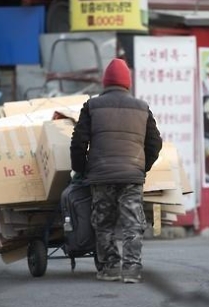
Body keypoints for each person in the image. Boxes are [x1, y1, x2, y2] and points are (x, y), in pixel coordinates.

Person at [70, 58, 163, 283]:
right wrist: (142, 168)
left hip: (100, 176)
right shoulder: (142, 107)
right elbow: (155, 143)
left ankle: (110, 268)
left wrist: (81, 170)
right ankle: (131, 269)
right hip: (132, 176)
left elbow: (78, 143)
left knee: (104, 222)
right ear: (127, 83)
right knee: (132, 222)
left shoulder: (92, 106)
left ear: (105, 82)